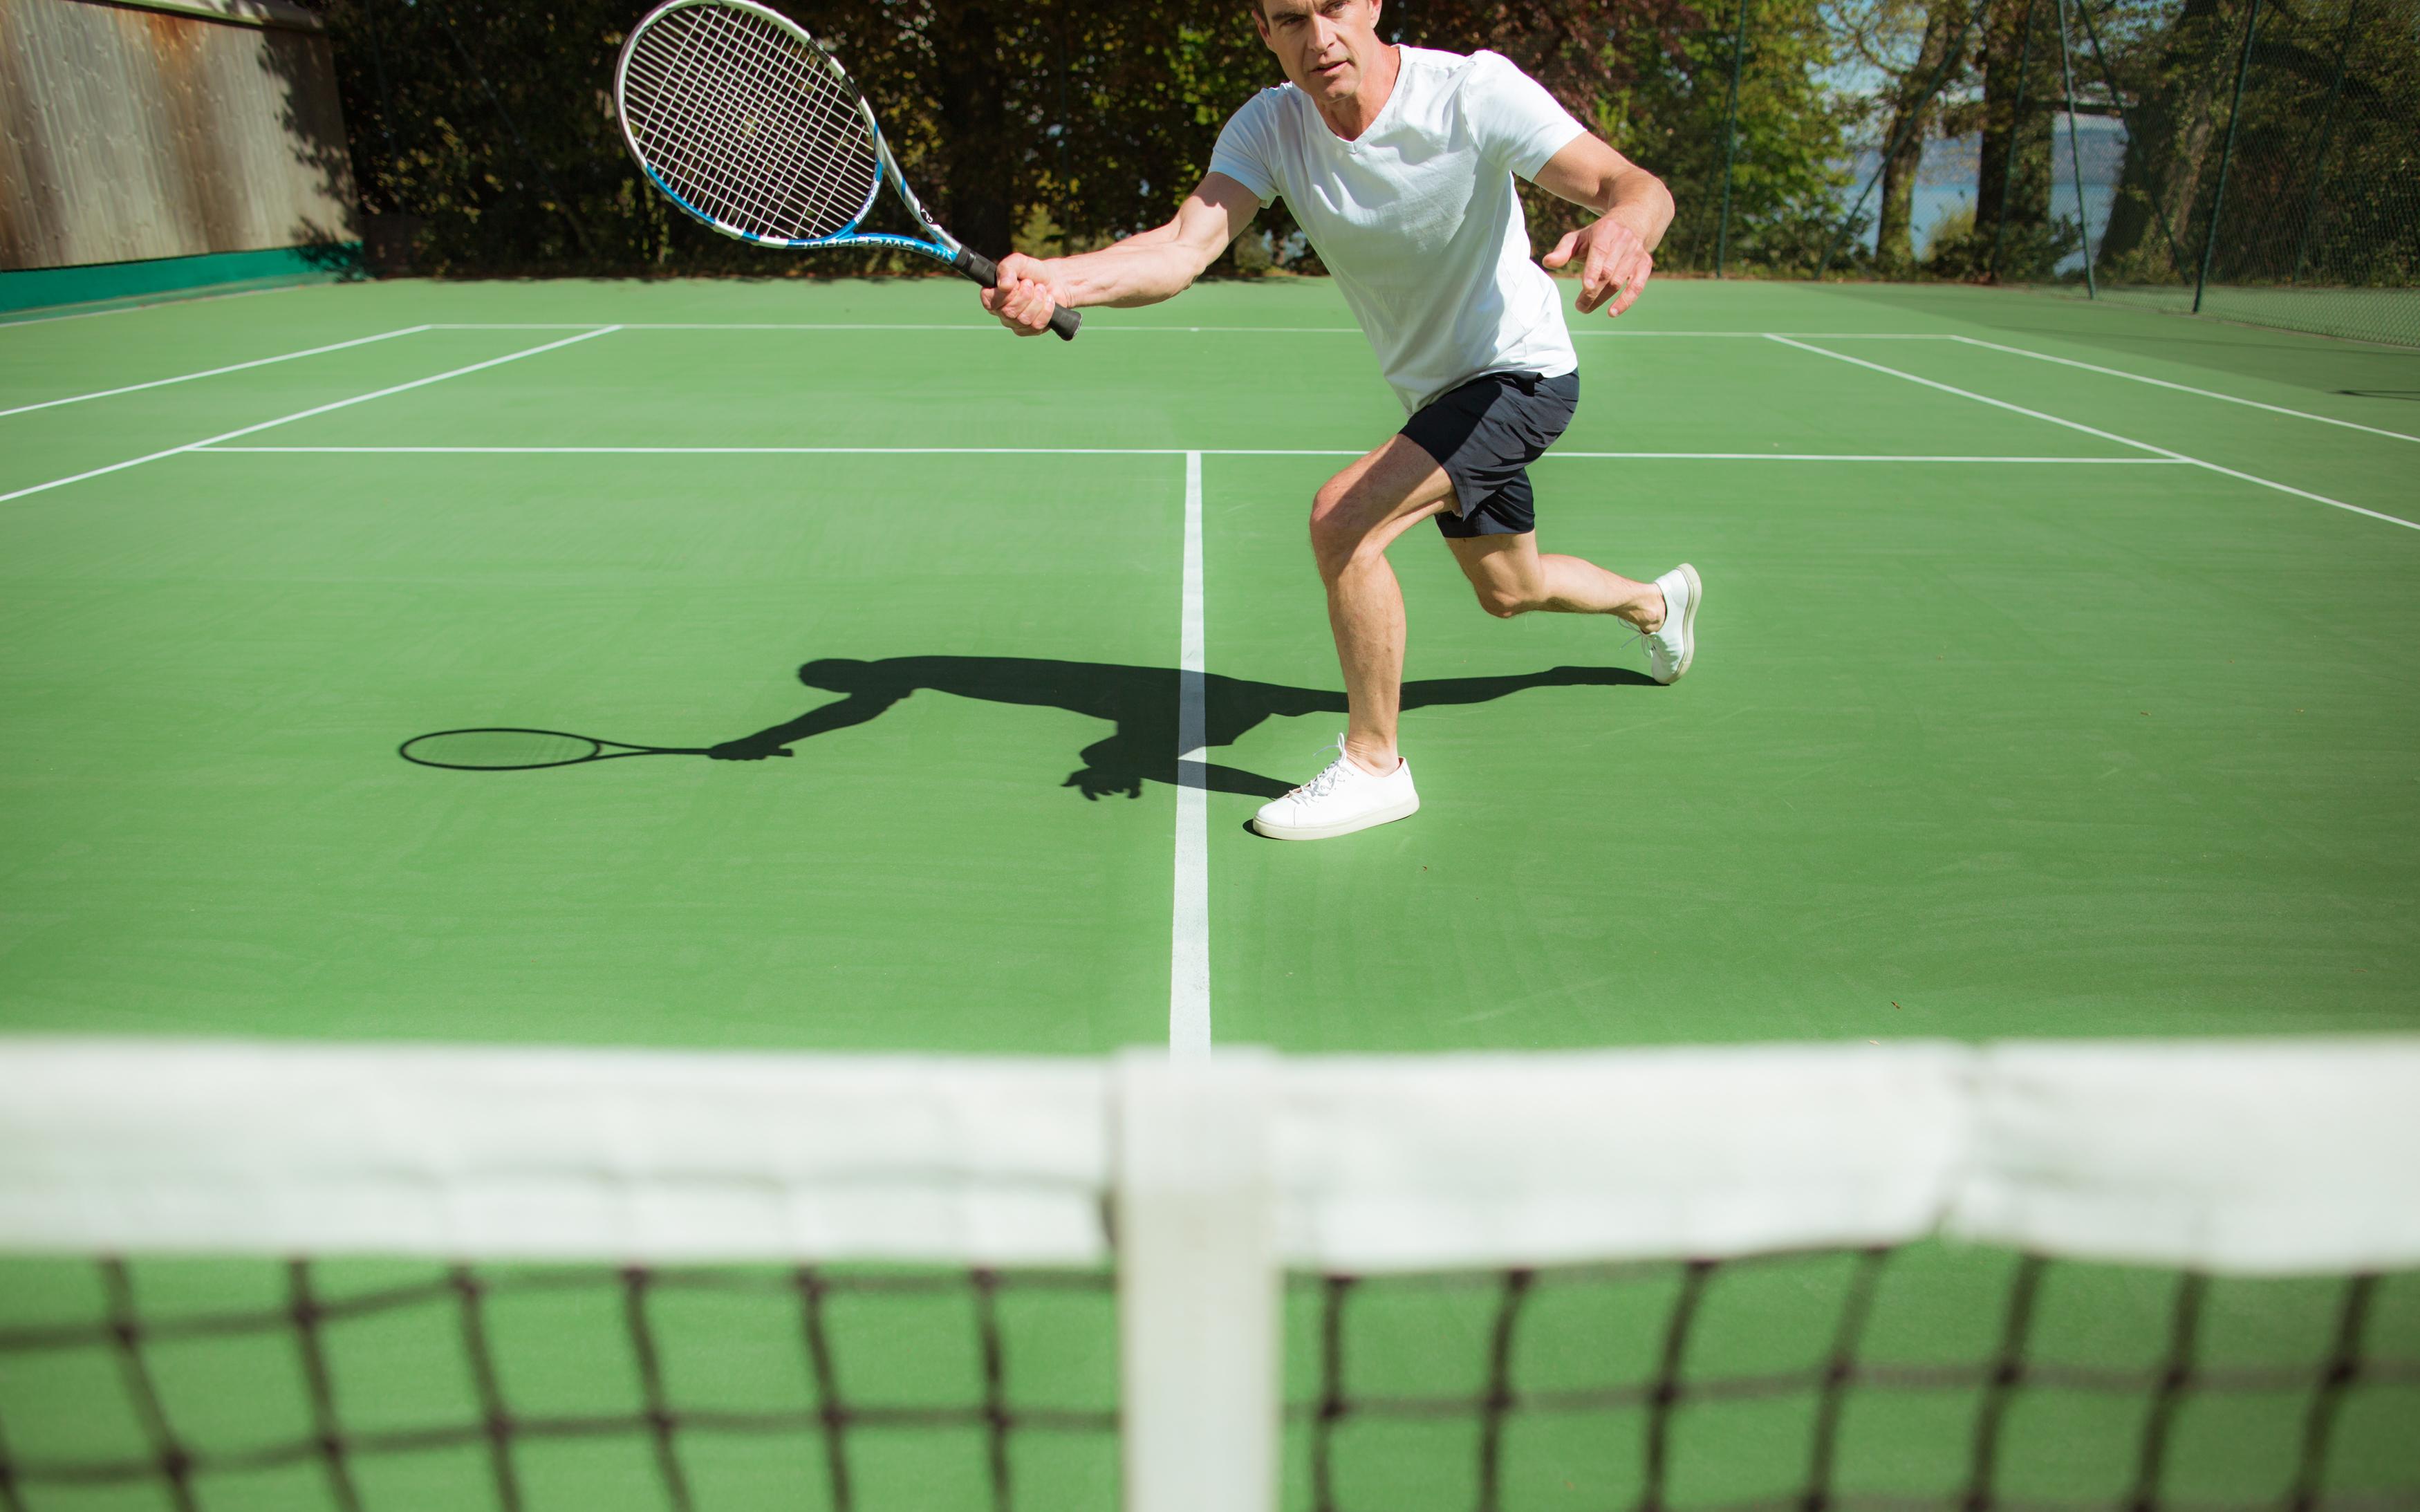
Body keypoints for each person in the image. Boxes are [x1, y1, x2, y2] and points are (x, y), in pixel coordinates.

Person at [980, 0, 1697, 841]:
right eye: (1290, 18)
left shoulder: (1469, 92)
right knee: (1510, 589)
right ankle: (1655, 603)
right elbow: (1182, 247)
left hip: (1522, 375)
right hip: (1438, 397)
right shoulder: (1271, 127)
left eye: (1332, 8)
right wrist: (1060, 279)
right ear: (1263, 33)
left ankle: (1374, 765)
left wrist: (1625, 227)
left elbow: (1635, 187)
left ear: (1372, 5)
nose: (1318, 38)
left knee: (1342, 520)